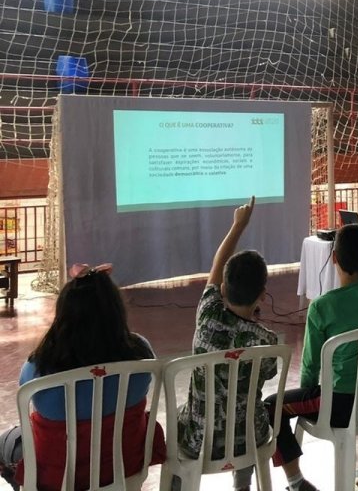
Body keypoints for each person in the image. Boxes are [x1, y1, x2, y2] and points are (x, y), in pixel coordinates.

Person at [261, 154, 358, 491]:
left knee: (270, 406)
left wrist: (310, 388)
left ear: (333, 257)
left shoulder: (321, 307)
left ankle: (295, 481)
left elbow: (310, 367)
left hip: (340, 406)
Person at [0, 264, 162, 491]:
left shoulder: (39, 366)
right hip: (124, 468)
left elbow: (32, 405)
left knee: (6, 442)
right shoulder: (141, 353)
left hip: (59, 478)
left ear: (63, 315)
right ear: (116, 311)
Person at [174, 197, 288, 491]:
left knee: (176, 421)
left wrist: (239, 225)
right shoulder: (267, 341)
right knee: (249, 417)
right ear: (263, 295)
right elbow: (265, 375)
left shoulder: (207, 312)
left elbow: (216, 266)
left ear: (223, 289)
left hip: (199, 441)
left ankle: (178, 484)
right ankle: (242, 485)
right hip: (248, 439)